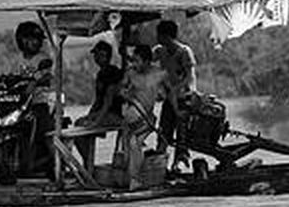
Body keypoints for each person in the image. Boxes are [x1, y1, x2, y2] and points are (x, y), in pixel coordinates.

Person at [11, 20, 55, 176]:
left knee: (44, 131)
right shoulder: (18, 59)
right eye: (32, 39)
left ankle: (56, 164)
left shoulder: (43, 58)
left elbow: (46, 75)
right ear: (22, 40)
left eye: (38, 40)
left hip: (39, 102)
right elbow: (12, 77)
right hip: (20, 103)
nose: (36, 42)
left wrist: (35, 81)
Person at [119, 44, 166, 190]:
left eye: (137, 61)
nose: (134, 64)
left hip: (148, 120)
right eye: (133, 60)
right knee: (128, 145)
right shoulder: (130, 74)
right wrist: (124, 94)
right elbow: (120, 89)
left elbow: (168, 93)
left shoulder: (159, 74)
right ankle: (130, 178)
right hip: (132, 117)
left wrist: (161, 95)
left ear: (146, 61)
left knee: (134, 143)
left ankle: (135, 179)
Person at [153, 19, 198, 170]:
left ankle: (180, 160)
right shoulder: (160, 51)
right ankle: (160, 160)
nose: (157, 38)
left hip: (184, 98)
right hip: (169, 98)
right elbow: (145, 59)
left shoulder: (184, 52)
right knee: (164, 129)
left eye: (159, 35)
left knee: (182, 132)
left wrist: (176, 89)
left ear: (165, 36)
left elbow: (190, 77)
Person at [73, 41, 125, 166]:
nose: (96, 58)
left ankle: (88, 164)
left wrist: (96, 122)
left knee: (84, 127)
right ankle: (88, 163)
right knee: (79, 124)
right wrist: (90, 115)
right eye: (95, 55)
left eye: (99, 55)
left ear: (105, 56)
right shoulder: (101, 74)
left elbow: (108, 101)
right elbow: (98, 100)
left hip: (115, 114)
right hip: (102, 113)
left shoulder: (113, 73)